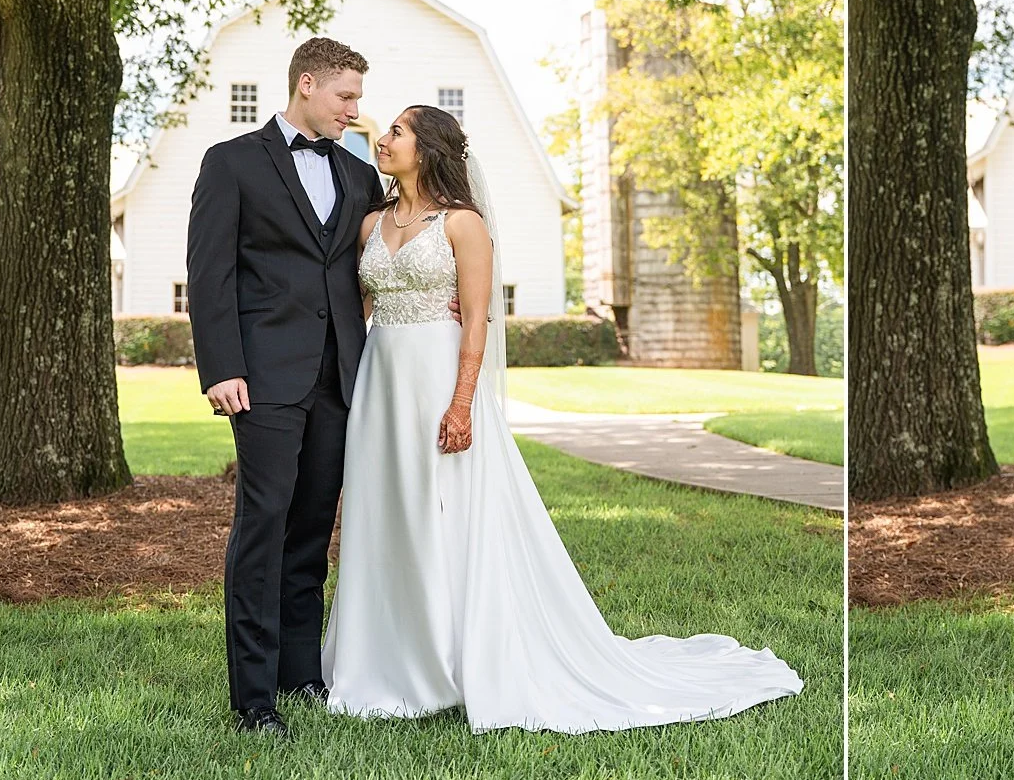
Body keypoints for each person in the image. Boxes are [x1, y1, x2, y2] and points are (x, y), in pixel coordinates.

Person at [321, 104, 803, 733]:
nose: (382, 139)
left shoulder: (464, 226)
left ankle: (451, 661)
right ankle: (386, 659)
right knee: (386, 513)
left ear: (429, 148)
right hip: (383, 386)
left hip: (440, 380)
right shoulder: (368, 226)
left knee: (447, 513)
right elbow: (356, 311)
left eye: (396, 132)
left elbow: (476, 320)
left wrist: (463, 401)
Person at [186, 37, 385, 736]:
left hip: (340, 377)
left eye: (358, 98)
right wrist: (222, 367)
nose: (356, 111)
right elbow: (209, 276)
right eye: (346, 97)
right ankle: (253, 698)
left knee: (311, 528)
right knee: (262, 527)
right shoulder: (231, 163)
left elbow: (392, 248)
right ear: (307, 84)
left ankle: (301, 670)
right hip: (262, 378)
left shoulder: (359, 175)